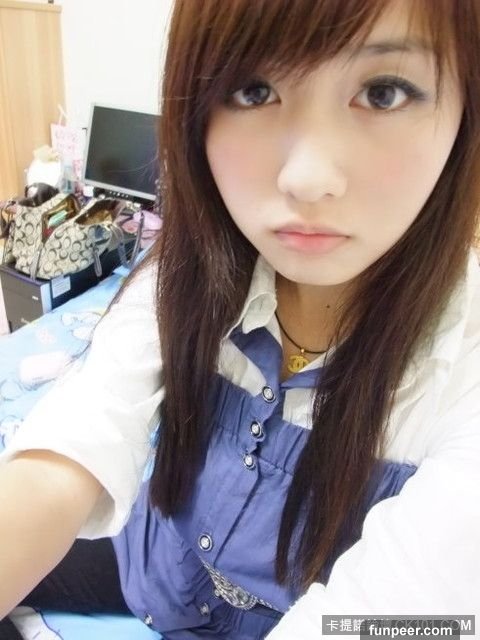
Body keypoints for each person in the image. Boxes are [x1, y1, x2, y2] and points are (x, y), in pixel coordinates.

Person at [1, 0, 480, 638]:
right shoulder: (189, 269)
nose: (307, 179)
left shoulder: (464, 372)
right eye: (254, 91)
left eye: (383, 92)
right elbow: (70, 447)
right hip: (157, 568)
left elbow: (394, 608)